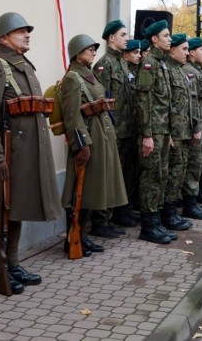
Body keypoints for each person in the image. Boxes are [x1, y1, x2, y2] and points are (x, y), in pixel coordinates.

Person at [0, 12, 62, 295]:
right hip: (6, 153)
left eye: (27, 31)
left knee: (16, 208)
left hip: (25, 153)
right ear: (3, 37)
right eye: (20, 31)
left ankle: (12, 264)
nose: (27, 35)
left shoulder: (24, 66)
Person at [60, 34, 128, 252]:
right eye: (89, 49)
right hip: (89, 139)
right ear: (77, 53)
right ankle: (73, 237)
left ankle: (81, 234)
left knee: (90, 189)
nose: (93, 52)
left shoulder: (88, 74)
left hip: (101, 135)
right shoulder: (72, 78)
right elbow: (71, 116)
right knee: (79, 190)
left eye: (94, 49)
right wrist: (82, 145)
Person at [93, 20, 138, 229]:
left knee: (125, 175)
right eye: (123, 35)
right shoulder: (104, 65)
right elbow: (103, 102)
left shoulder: (122, 62)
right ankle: (102, 220)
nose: (127, 38)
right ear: (111, 38)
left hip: (126, 130)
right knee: (109, 176)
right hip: (114, 131)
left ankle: (121, 212)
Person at [136, 19, 176, 244]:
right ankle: (148, 226)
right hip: (153, 132)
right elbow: (144, 100)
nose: (169, 39)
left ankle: (157, 221)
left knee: (161, 176)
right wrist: (147, 134)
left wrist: (167, 133)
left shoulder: (161, 64)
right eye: (166, 35)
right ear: (154, 39)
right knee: (151, 177)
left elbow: (165, 103)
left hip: (163, 131)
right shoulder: (148, 64)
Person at [162, 33, 197, 231]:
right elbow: (164, 105)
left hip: (183, 132)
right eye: (183, 49)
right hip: (173, 133)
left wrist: (193, 128)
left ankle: (172, 213)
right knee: (172, 175)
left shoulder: (180, 71)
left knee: (179, 172)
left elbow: (188, 104)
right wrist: (167, 133)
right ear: (172, 49)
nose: (187, 53)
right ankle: (168, 214)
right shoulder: (167, 70)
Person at [181, 37, 202, 220]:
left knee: (197, 167)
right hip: (197, 127)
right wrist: (196, 128)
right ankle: (189, 206)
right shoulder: (189, 72)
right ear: (192, 52)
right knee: (192, 168)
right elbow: (192, 103)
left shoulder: (199, 71)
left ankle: (192, 203)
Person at [122, 39, 142, 210]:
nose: (139, 55)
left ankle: (128, 208)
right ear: (125, 54)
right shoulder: (121, 70)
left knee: (132, 172)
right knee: (122, 173)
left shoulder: (138, 72)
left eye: (139, 52)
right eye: (135, 52)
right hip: (121, 130)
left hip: (134, 130)